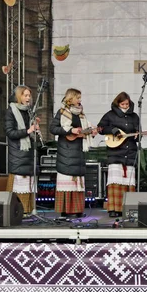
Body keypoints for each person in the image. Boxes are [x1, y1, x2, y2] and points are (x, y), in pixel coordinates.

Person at [49, 88, 97, 218]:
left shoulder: (81, 114)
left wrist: (91, 132)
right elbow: (53, 128)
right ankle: (66, 210)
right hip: (67, 152)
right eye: (78, 97)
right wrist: (70, 130)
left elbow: (83, 131)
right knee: (68, 180)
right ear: (71, 98)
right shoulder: (62, 112)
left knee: (77, 182)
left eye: (80, 98)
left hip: (79, 150)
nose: (80, 100)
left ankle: (77, 210)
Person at [97, 92, 140, 218]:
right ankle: (114, 209)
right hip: (115, 152)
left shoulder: (134, 116)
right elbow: (101, 128)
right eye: (123, 104)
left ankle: (128, 208)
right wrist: (113, 130)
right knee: (115, 182)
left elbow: (138, 131)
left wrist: (137, 135)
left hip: (130, 151)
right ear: (118, 103)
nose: (125, 106)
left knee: (128, 182)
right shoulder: (110, 115)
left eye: (127, 104)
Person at [4, 85, 40, 214]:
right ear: (19, 96)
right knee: (20, 183)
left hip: (28, 153)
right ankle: (18, 212)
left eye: (29, 95)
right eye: (25, 95)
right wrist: (28, 130)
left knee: (29, 184)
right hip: (18, 153)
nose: (28, 98)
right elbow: (10, 133)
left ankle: (28, 210)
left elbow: (29, 133)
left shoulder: (28, 112)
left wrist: (34, 126)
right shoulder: (11, 111)